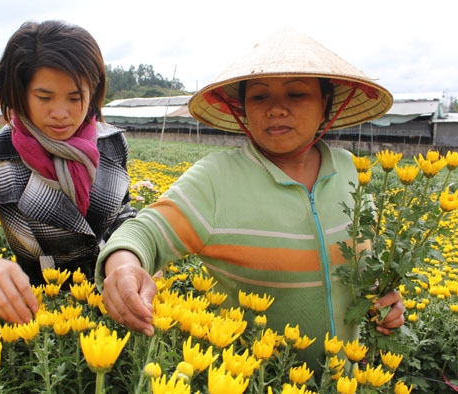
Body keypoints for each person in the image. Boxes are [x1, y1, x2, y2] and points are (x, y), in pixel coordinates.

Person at [95, 28, 405, 371]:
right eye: (259, 97)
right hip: (252, 378)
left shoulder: (352, 171)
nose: (276, 109)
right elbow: (144, 233)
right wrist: (124, 266)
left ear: (326, 104)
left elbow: (367, 268)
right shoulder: (215, 179)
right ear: (242, 109)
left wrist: (383, 300)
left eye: (297, 93)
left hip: (348, 379)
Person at [0, 20, 136, 325]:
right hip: (37, 316)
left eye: (75, 98)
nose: (60, 112)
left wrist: (130, 259)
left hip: (114, 303)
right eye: (45, 97)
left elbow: (122, 218)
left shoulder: (111, 144)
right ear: (19, 93)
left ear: (93, 91)